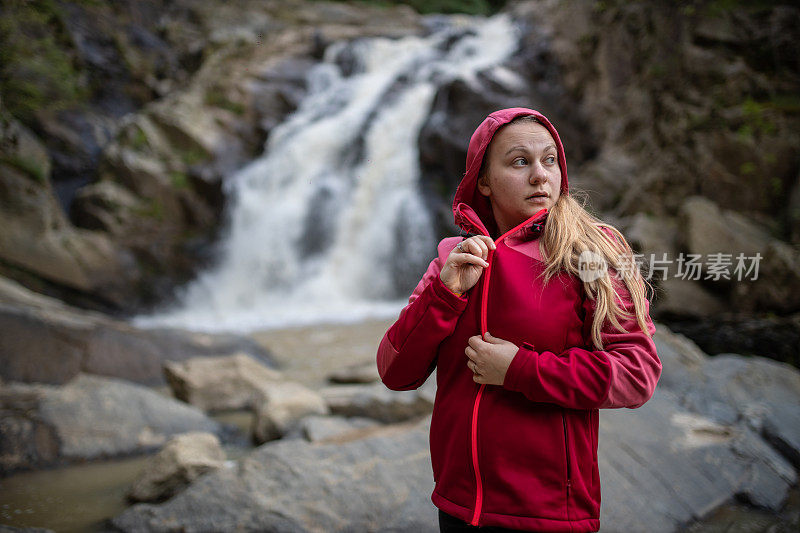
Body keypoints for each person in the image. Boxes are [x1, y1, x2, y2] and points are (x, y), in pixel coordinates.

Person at [376, 107, 662, 532]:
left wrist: (519, 369)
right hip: (459, 508)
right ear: (484, 181)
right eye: (520, 162)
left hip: (548, 513)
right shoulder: (453, 260)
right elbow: (395, 371)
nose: (540, 176)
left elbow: (636, 373)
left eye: (550, 160)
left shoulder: (591, 256)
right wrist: (445, 295)